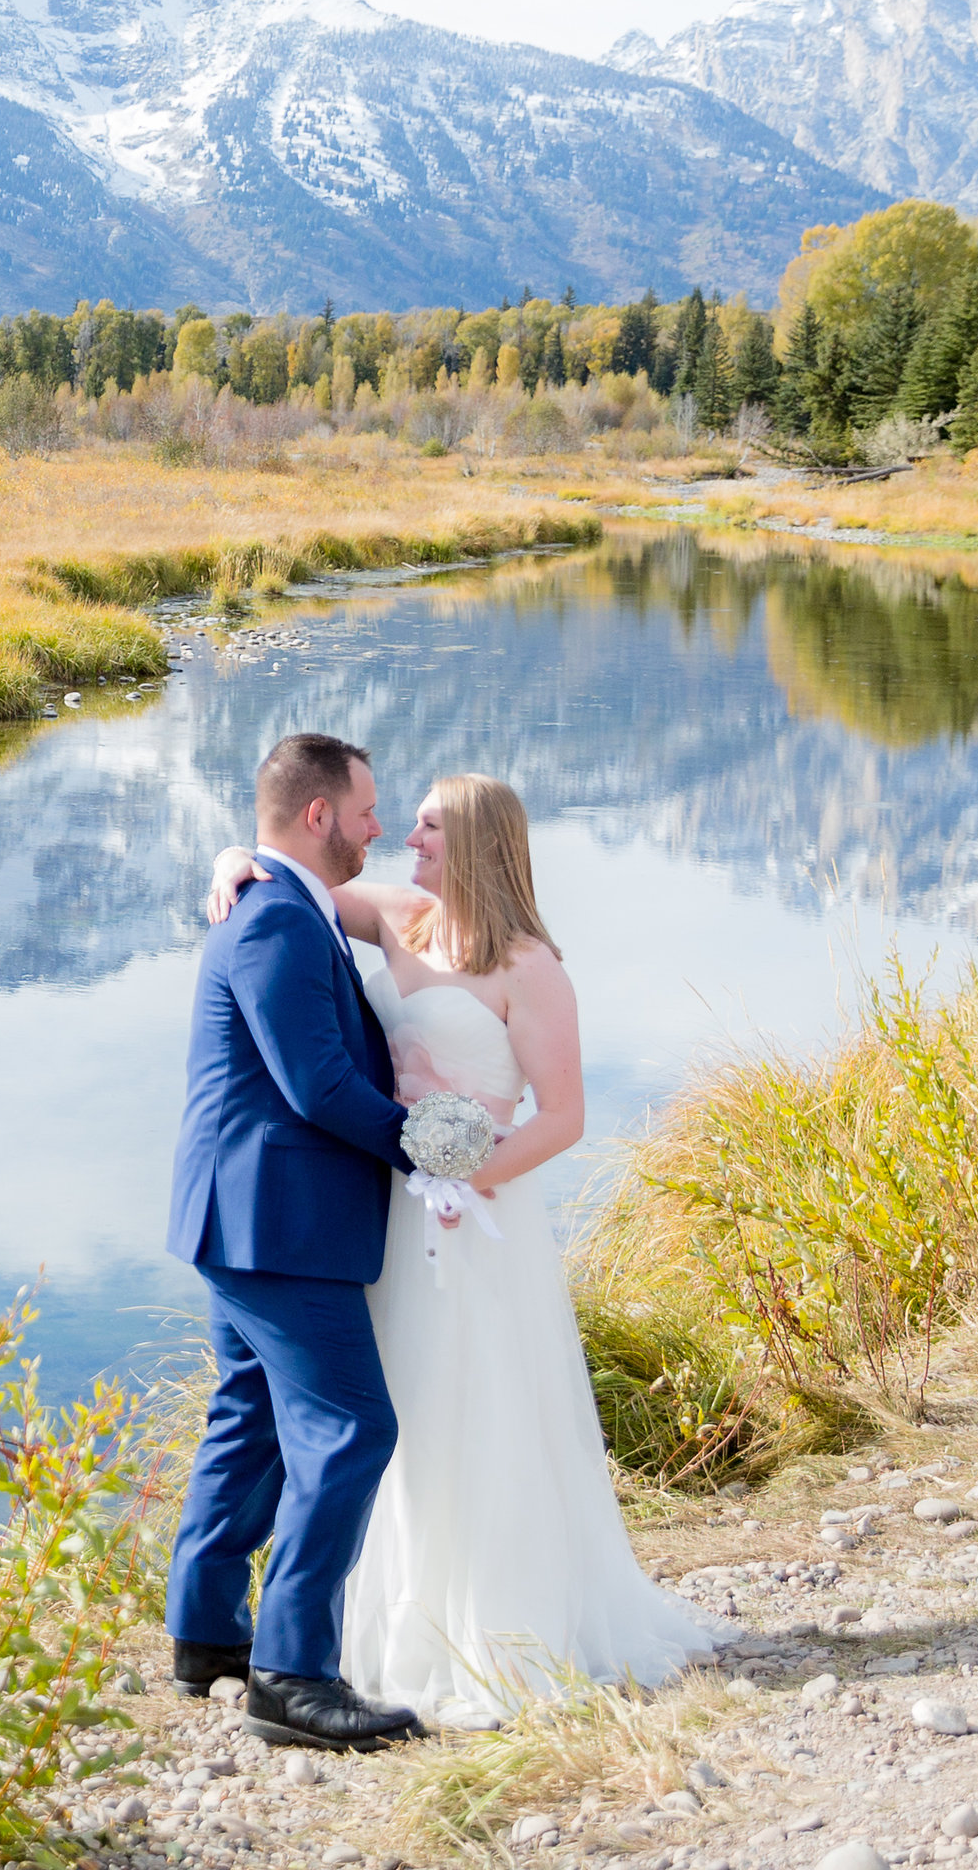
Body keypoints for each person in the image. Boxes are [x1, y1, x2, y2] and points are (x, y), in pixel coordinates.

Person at [206, 772, 733, 1726]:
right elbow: (297, 884)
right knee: (393, 1410)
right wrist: (230, 858)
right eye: (404, 822)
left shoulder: (530, 966)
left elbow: (564, 1116)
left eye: (429, 825)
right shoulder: (401, 916)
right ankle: (369, 1628)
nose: (407, 835)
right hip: (393, 1213)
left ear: (481, 842)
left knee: (479, 1404)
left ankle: (498, 1629)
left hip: (475, 1220)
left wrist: (468, 1171)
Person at [164, 733, 431, 1753]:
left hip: (246, 1218)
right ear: (319, 815)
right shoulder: (274, 919)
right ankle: (291, 1674)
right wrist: (428, 1153)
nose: (379, 826)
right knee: (352, 1429)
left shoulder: (280, 900)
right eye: (368, 810)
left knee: (253, 1423)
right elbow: (317, 1086)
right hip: (281, 1223)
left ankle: (206, 1633)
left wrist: (236, 852)